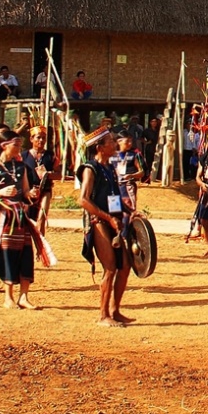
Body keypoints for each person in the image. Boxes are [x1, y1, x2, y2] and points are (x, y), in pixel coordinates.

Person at [0, 128, 56, 309]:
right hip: (4, 217)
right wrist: (0, 192)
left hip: (20, 217)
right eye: (15, 145)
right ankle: (8, 297)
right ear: (4, 146)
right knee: (8, 255)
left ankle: (24, 296)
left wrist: (31, 194)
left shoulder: (22, 167)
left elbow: (24, 192)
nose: (18, 148)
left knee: (25, 254)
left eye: (19, 145)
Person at [76, 126, 133, 326]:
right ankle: (103, 315)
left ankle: (115, 310)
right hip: (97, 222)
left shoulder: (109, 168)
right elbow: (83, 200)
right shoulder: (90, 169)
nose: (114, 143)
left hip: (112, 221)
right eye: (109, 141)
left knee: (124, 266)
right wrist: (107, 218)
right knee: (110, 268)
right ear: (99, 147)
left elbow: (113, 197)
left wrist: (129, 211)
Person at [23, 125, 57, 235]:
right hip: (28, 191)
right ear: (31, 139)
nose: (41, 140)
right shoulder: (24, 156)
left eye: (43, 138)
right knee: (26, 218)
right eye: (38, 137)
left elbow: (60, 175)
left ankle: (40, 248)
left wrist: (48, 175)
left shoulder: (50, 156)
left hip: (45, 191)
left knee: (42, 217)